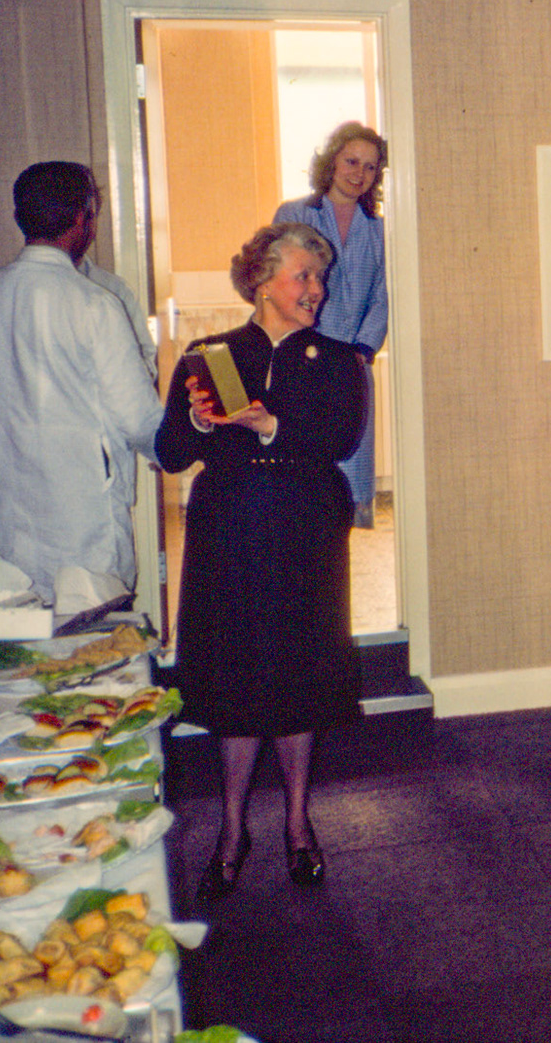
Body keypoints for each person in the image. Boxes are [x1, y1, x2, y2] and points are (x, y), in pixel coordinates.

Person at [156, 219, 367, 900]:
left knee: (300, 674)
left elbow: (338, 438)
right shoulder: (209, 355)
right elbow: (170, 454)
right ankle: (231, 831)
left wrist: (266, 423)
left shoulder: (339, 360)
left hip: (305, 526)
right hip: (231, 530)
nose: (316, 289)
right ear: (261, 280)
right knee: (237, 677)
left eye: (320, 277)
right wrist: (194, 419)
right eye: (303, 275)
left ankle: (299, 826)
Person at [0, 161, 163, 602]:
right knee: (91, 656)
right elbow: (139, 419)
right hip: (80, 533)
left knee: (16, 647)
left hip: (3, 525)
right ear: (84, 218)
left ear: (19, 219)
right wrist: (184, 440)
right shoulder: (94, 305)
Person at [272, 122, 388, 528]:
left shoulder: (379, 230)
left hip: (351, 364)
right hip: (300, 359)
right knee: (298, 483)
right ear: (332, 160)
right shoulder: (294, 214)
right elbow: (274, 281)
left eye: (371, 167)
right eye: (351, 161)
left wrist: (362, 352)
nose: (359, 173)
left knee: (345, 486)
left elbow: (383, 297)